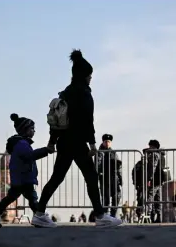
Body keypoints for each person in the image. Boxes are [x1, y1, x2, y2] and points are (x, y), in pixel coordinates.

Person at [31, 49, 122, 228]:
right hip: (78, 142)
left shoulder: (65, 93)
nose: (91, 78)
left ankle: (39, 213)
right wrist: (93, 144)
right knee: (91, 177)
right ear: (84, 75)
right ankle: (101, 215)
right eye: (89, 75)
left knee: (56, 177)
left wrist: (52, 142)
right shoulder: (85, 94)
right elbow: (88, 121)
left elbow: (57, 120)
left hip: (64, 142)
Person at [0, 113, 53, 228]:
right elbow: (30, 156)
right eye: (32, 129)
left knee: (12, 198)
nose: (34, 131)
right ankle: (40, 218)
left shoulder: (21, 143)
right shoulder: (21, 144)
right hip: (23, 178)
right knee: (33, 199)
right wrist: (46, 150)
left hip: (20, 177)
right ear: (25, 130)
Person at [97, 134, 122, 218]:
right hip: (104, 177)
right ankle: (105, 215)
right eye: (106, 141)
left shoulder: (113, 153)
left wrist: (120, 178)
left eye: (109, 142)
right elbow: (97, 164)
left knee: (117, 196)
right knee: (106, 198)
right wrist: (99, 174)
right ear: (103, 142)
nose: (107, 143)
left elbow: (118, 166)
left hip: (114, 177)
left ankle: (113, 215)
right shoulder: (100, 152)